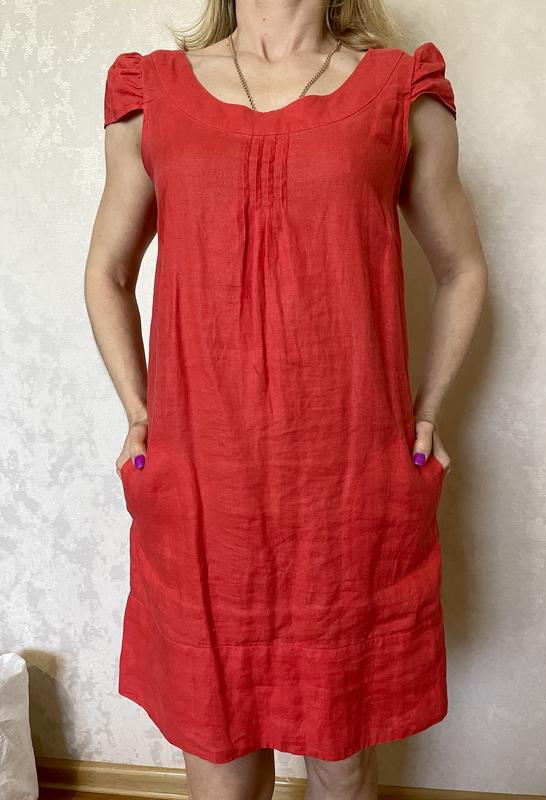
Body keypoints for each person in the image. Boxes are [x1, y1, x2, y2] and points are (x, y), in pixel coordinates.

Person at [84, 0, 487, 797]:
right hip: (205, 497)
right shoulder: (154, 92)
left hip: (345, 493)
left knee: (342, 765)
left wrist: (428, 410)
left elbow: (463, 268)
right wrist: (138, 412)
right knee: (220, 761)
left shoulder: (398, 91)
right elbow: (107, 270)